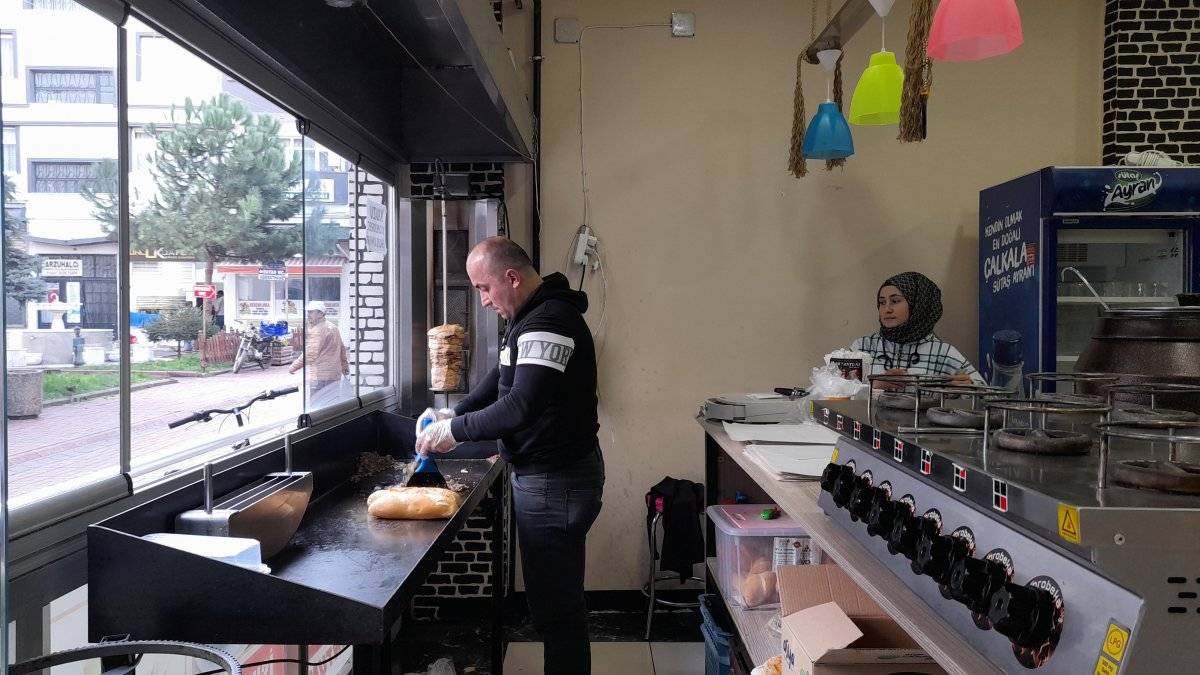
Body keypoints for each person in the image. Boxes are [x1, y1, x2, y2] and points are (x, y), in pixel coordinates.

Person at [416, 237, 603, 675]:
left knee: (556, 610)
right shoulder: (531, 316)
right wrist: (455, 410)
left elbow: (522, 404)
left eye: (484, 288)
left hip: (556, 481)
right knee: (554, 602)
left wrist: (454, 433)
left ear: (512, 277)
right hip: (550, 478)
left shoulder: (550, 321)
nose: (482, 300)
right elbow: (502, 374)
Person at [851, 271, 984, 386]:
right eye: (882, 302)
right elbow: (834, 394)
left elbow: (989, 400)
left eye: (895, 301)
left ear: (918, 305)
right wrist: (873, 386)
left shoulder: (943, 354)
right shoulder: (862, 347)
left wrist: (967, 390)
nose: (887, 309)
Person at [289, 300, 348, 398]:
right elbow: (342, 349)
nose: (308, 315)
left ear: (321, 313)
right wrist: (345, 367)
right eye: (308, 312)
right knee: (332, 404)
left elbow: (310, 354)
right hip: (334, 375)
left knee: (316, 407)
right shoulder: (333, 327)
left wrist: (294, 366)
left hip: (320, 376)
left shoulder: (318, 330)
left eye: (311, 312)